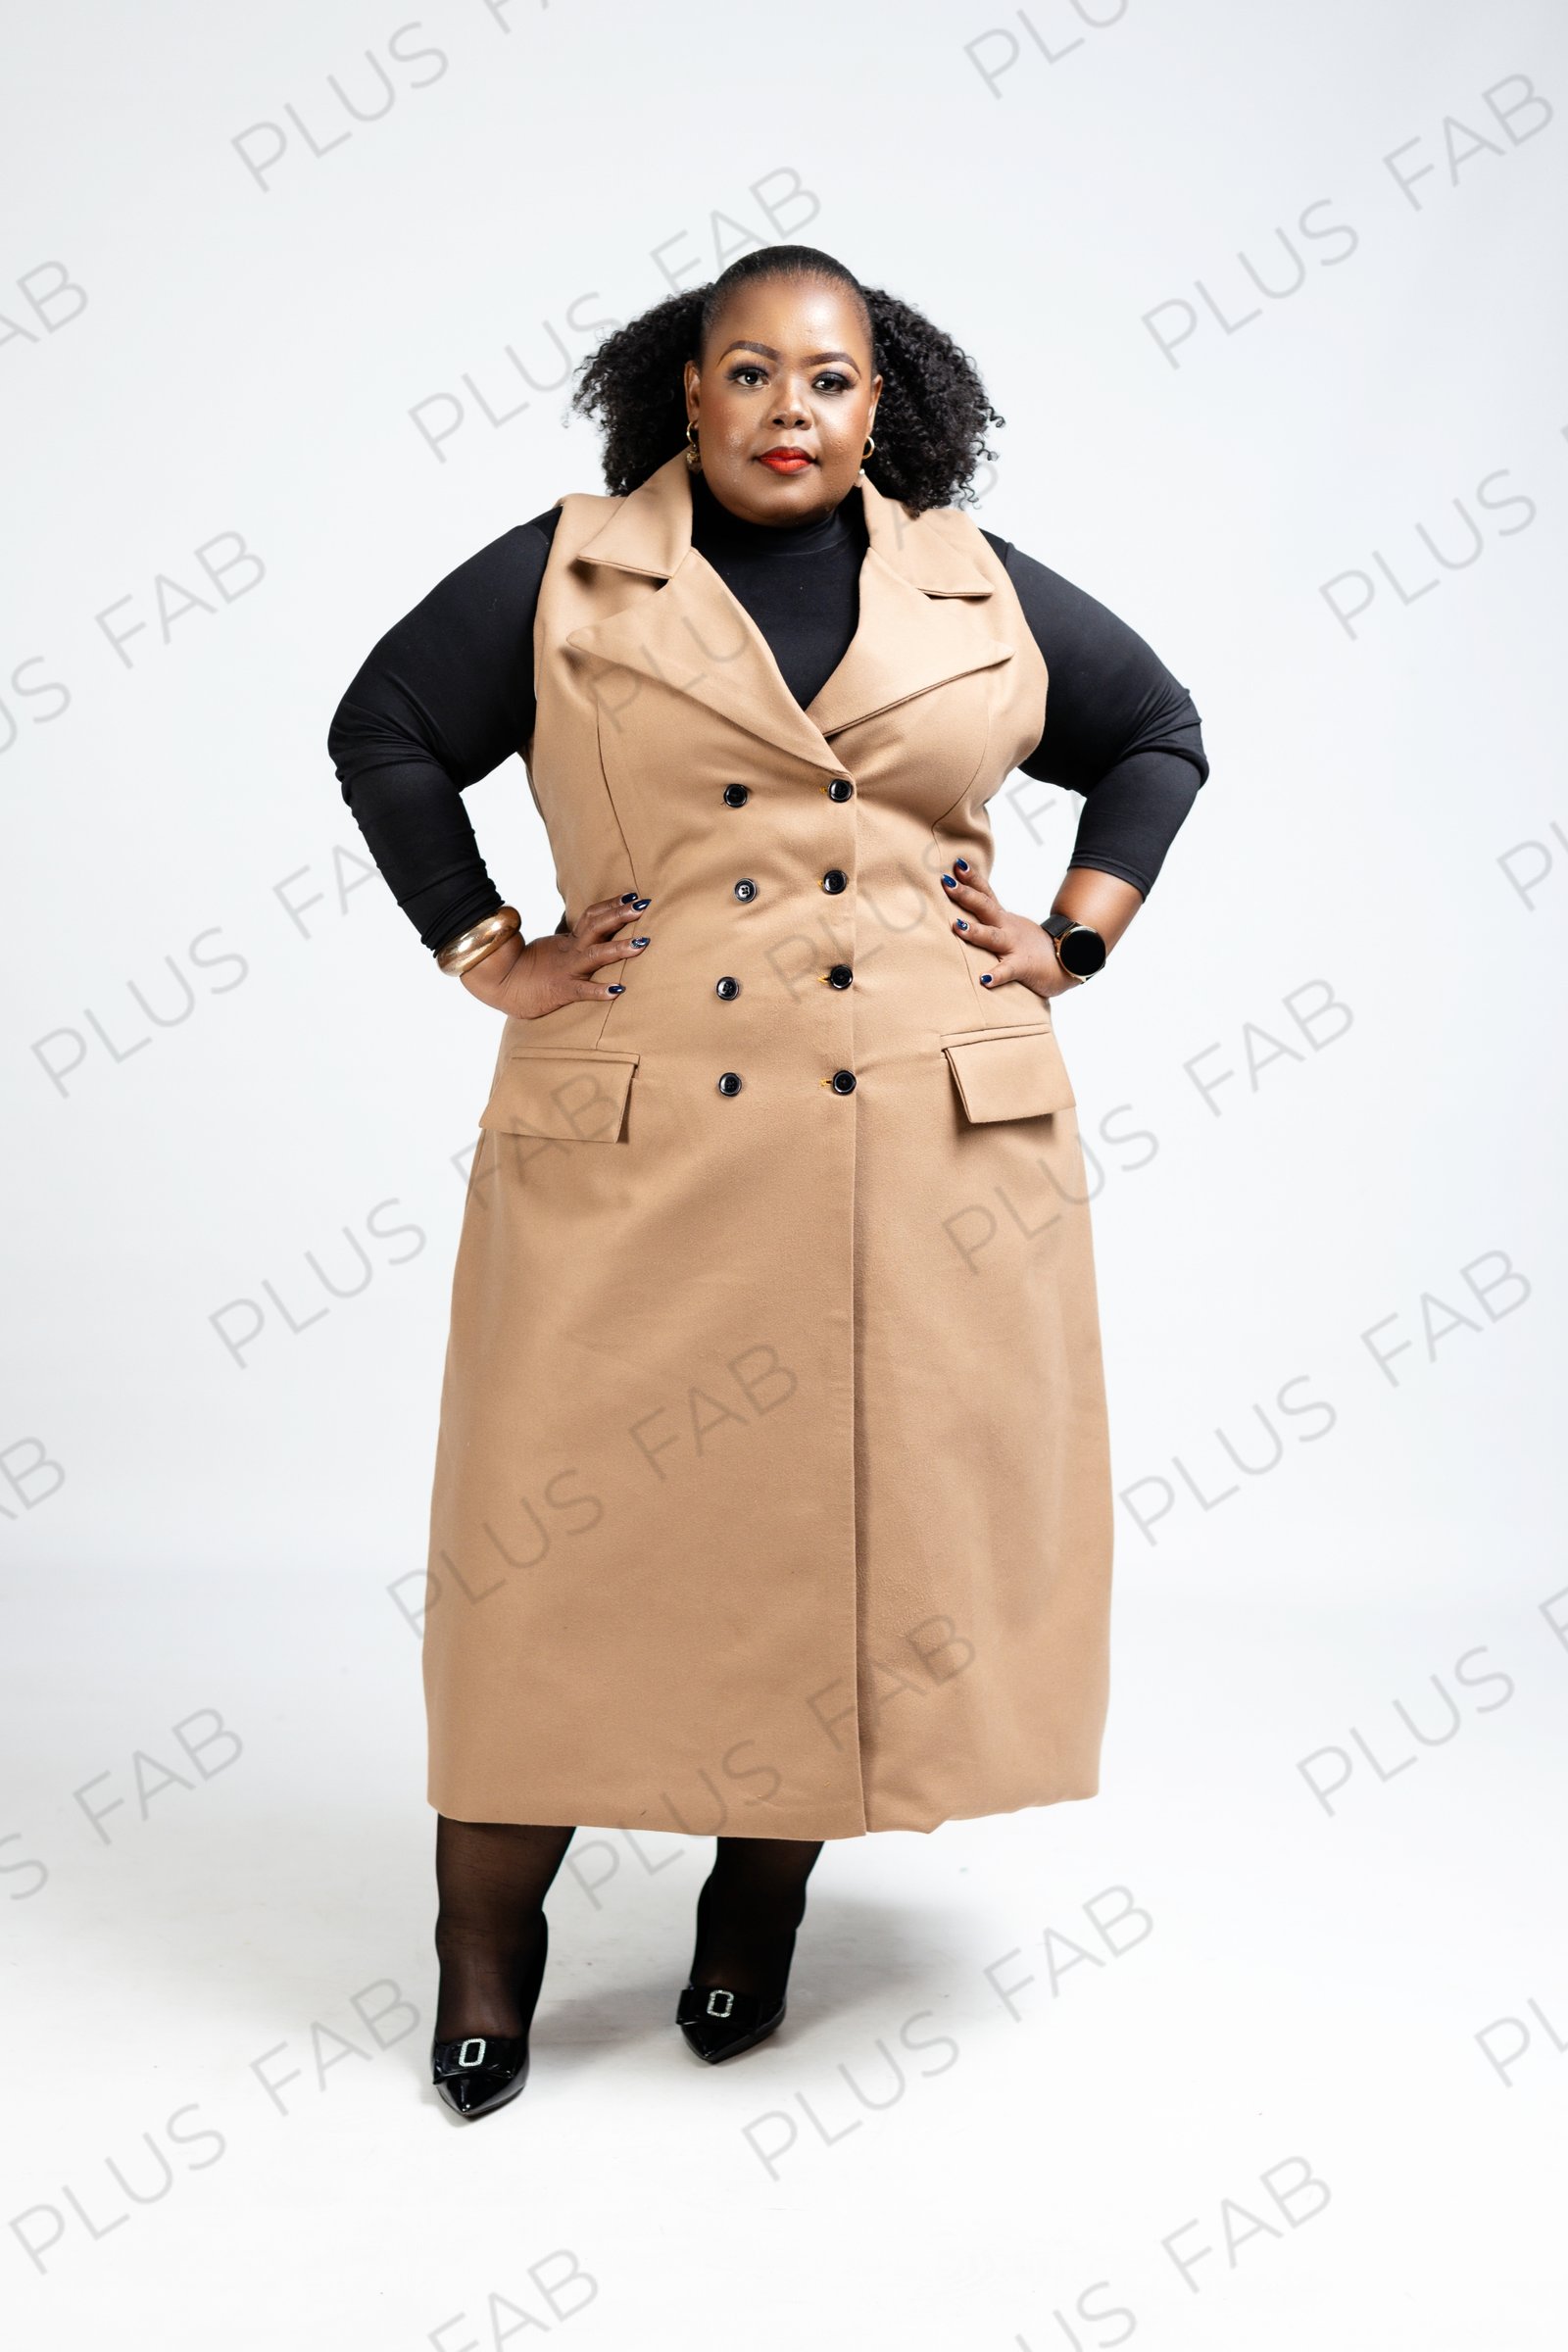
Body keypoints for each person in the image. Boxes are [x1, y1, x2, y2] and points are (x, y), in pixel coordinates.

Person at [326, 243, 1208, 2121]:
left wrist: (1073, 937)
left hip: (911, 1148)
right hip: (636, 1136)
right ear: (687, 388)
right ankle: (486, 1948)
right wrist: (488, 949)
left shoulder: (966, 579)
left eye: (827, 379)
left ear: (882, 404)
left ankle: (755, 1910)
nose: (786, 411)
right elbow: (383, 732)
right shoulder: (572, 570)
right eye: (749, 372)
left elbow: (1158, 735)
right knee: (549, 1543)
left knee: (836, 1541)